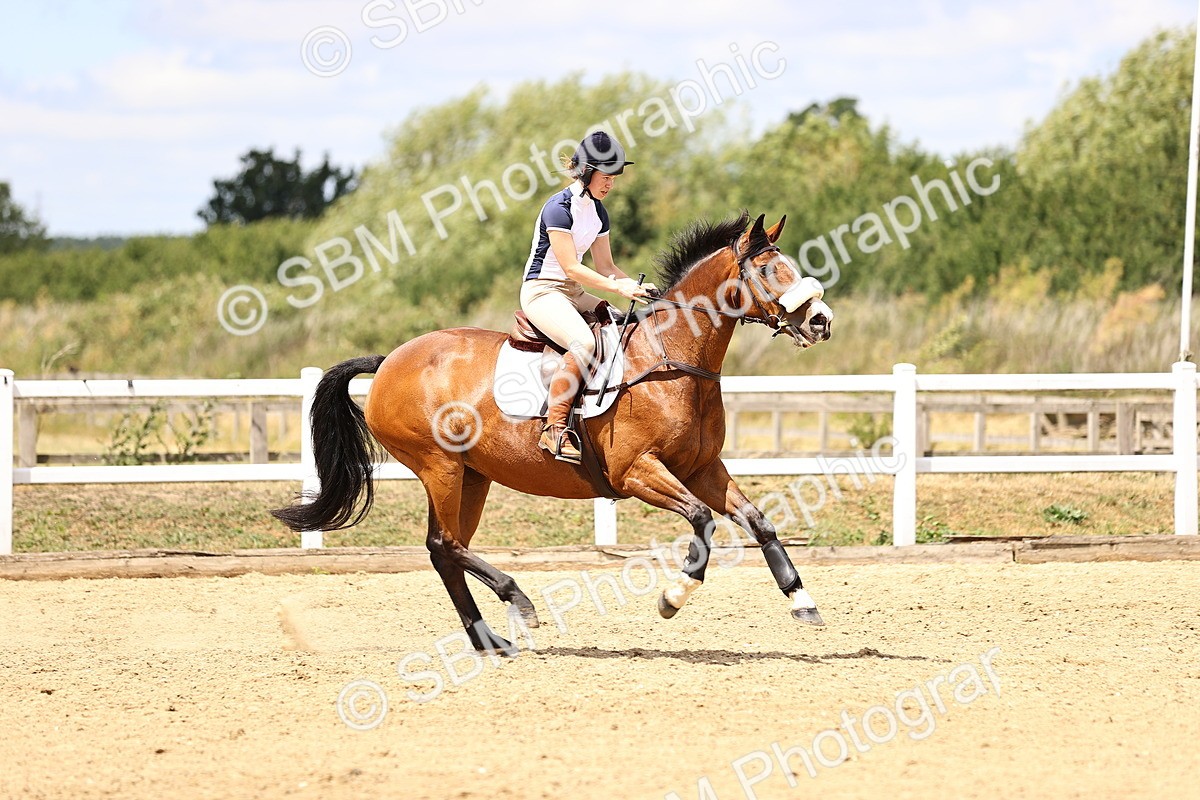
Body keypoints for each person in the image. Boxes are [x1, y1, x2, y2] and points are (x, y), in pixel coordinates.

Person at [520, 131, 656, 463]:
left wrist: (646, 289)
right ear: (587, 172)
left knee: (620, 324)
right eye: (606, 176)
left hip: (572, 293)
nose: (610, 184)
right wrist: (618, 287)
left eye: (613, 178)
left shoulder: (598, 212)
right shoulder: (559, 208)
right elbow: (571, 267)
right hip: (543, 291)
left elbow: (607, 266)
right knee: (585, 343)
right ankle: (554, 428)